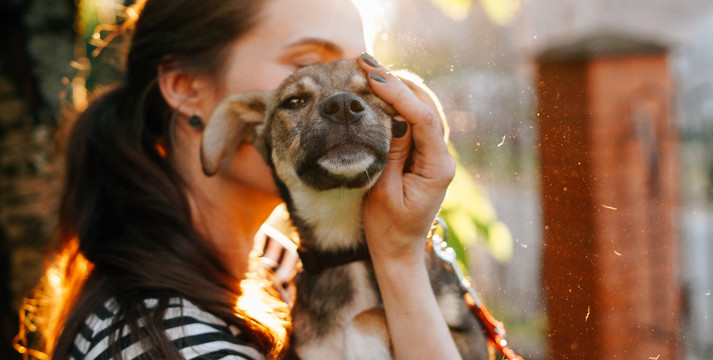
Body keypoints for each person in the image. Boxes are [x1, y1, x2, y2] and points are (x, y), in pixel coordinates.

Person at [18, 0, 459, 359]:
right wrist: (400, 260)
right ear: (187, 87)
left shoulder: (280, 266)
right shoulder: (161, 341)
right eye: (306, 64)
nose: (346, 96)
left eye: (364, 75)